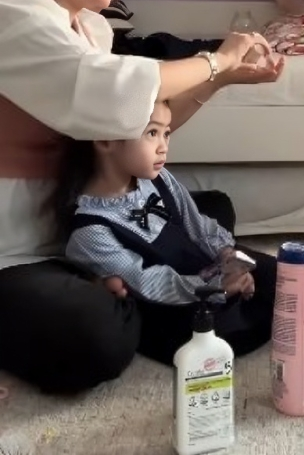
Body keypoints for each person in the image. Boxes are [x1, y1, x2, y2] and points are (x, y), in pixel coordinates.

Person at [0, 0, 284, 394]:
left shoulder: (92, 30)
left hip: (73, 220)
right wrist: (214, 59)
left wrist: (221, 79)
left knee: (215, 214)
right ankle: (120, 293)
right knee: (99, 338)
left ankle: (126, 285)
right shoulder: (16, 17)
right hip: (18, 248)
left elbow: (134, 127)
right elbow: (112, 89)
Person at [53, 99, 278, 364]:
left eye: (166, 133)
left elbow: (197, 226)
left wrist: (226, 255)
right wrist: (215, 288)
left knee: (276, 275)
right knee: (242, 321)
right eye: (152, 133)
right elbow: (149, 282)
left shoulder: (157, 179)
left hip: (202, 273)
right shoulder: (90, 230)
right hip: (174, 309)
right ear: (105, 140)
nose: (164, 147)